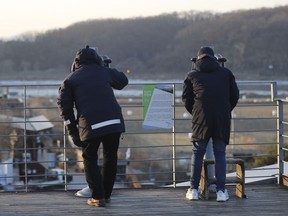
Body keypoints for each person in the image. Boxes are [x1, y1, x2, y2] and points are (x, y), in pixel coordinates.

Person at [57, 45, 128, 207]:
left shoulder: (70, 80)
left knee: (90, 158)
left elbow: (64, 107)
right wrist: (104, 67)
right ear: (97, 59)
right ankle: (106, 195)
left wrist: (73, 132)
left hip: (90, 125)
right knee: (111, 158)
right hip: (114, 123)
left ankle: (98, 197)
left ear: (76, 62)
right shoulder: (104, 71)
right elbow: (123, 80)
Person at [182, 46, 239, 202]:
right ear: (214, 59)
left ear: (198, 59)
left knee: (198, 152)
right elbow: (234, 95)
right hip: (222, 118)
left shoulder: (192, 74)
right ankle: (221, 191)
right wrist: (226, 110)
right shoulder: (226, 73)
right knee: (220, 153)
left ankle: (193, 190)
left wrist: (196, 112)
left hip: (201, 117)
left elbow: (186, 99)